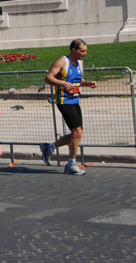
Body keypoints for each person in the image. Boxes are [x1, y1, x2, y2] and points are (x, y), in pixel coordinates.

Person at [40, 39, 97, 175]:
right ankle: (71, 164)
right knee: (77, 132)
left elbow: (77, 80)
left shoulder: (80, 63)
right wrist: (62, 83)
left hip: (75, 100)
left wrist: (87, 83)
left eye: (85, 51)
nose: (85, 54)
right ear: (73, 50)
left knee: (77, 134)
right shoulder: (62, 61)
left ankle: (49, 147)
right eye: (82, 51)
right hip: (64, 101)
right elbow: (48, 78)